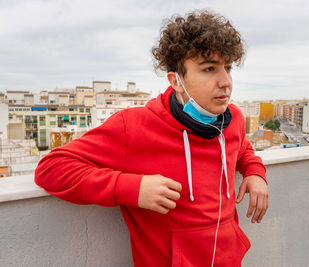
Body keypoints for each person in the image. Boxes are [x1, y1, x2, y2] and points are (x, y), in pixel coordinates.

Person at [35, 10, 269, 266]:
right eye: (209, 68)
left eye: (227, 68)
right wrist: (131, 189)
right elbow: (52, 168)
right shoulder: (134, 126)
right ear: (176, 80)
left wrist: (254, 171)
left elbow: (242, 148)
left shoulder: (232, 118)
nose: (225, 82)